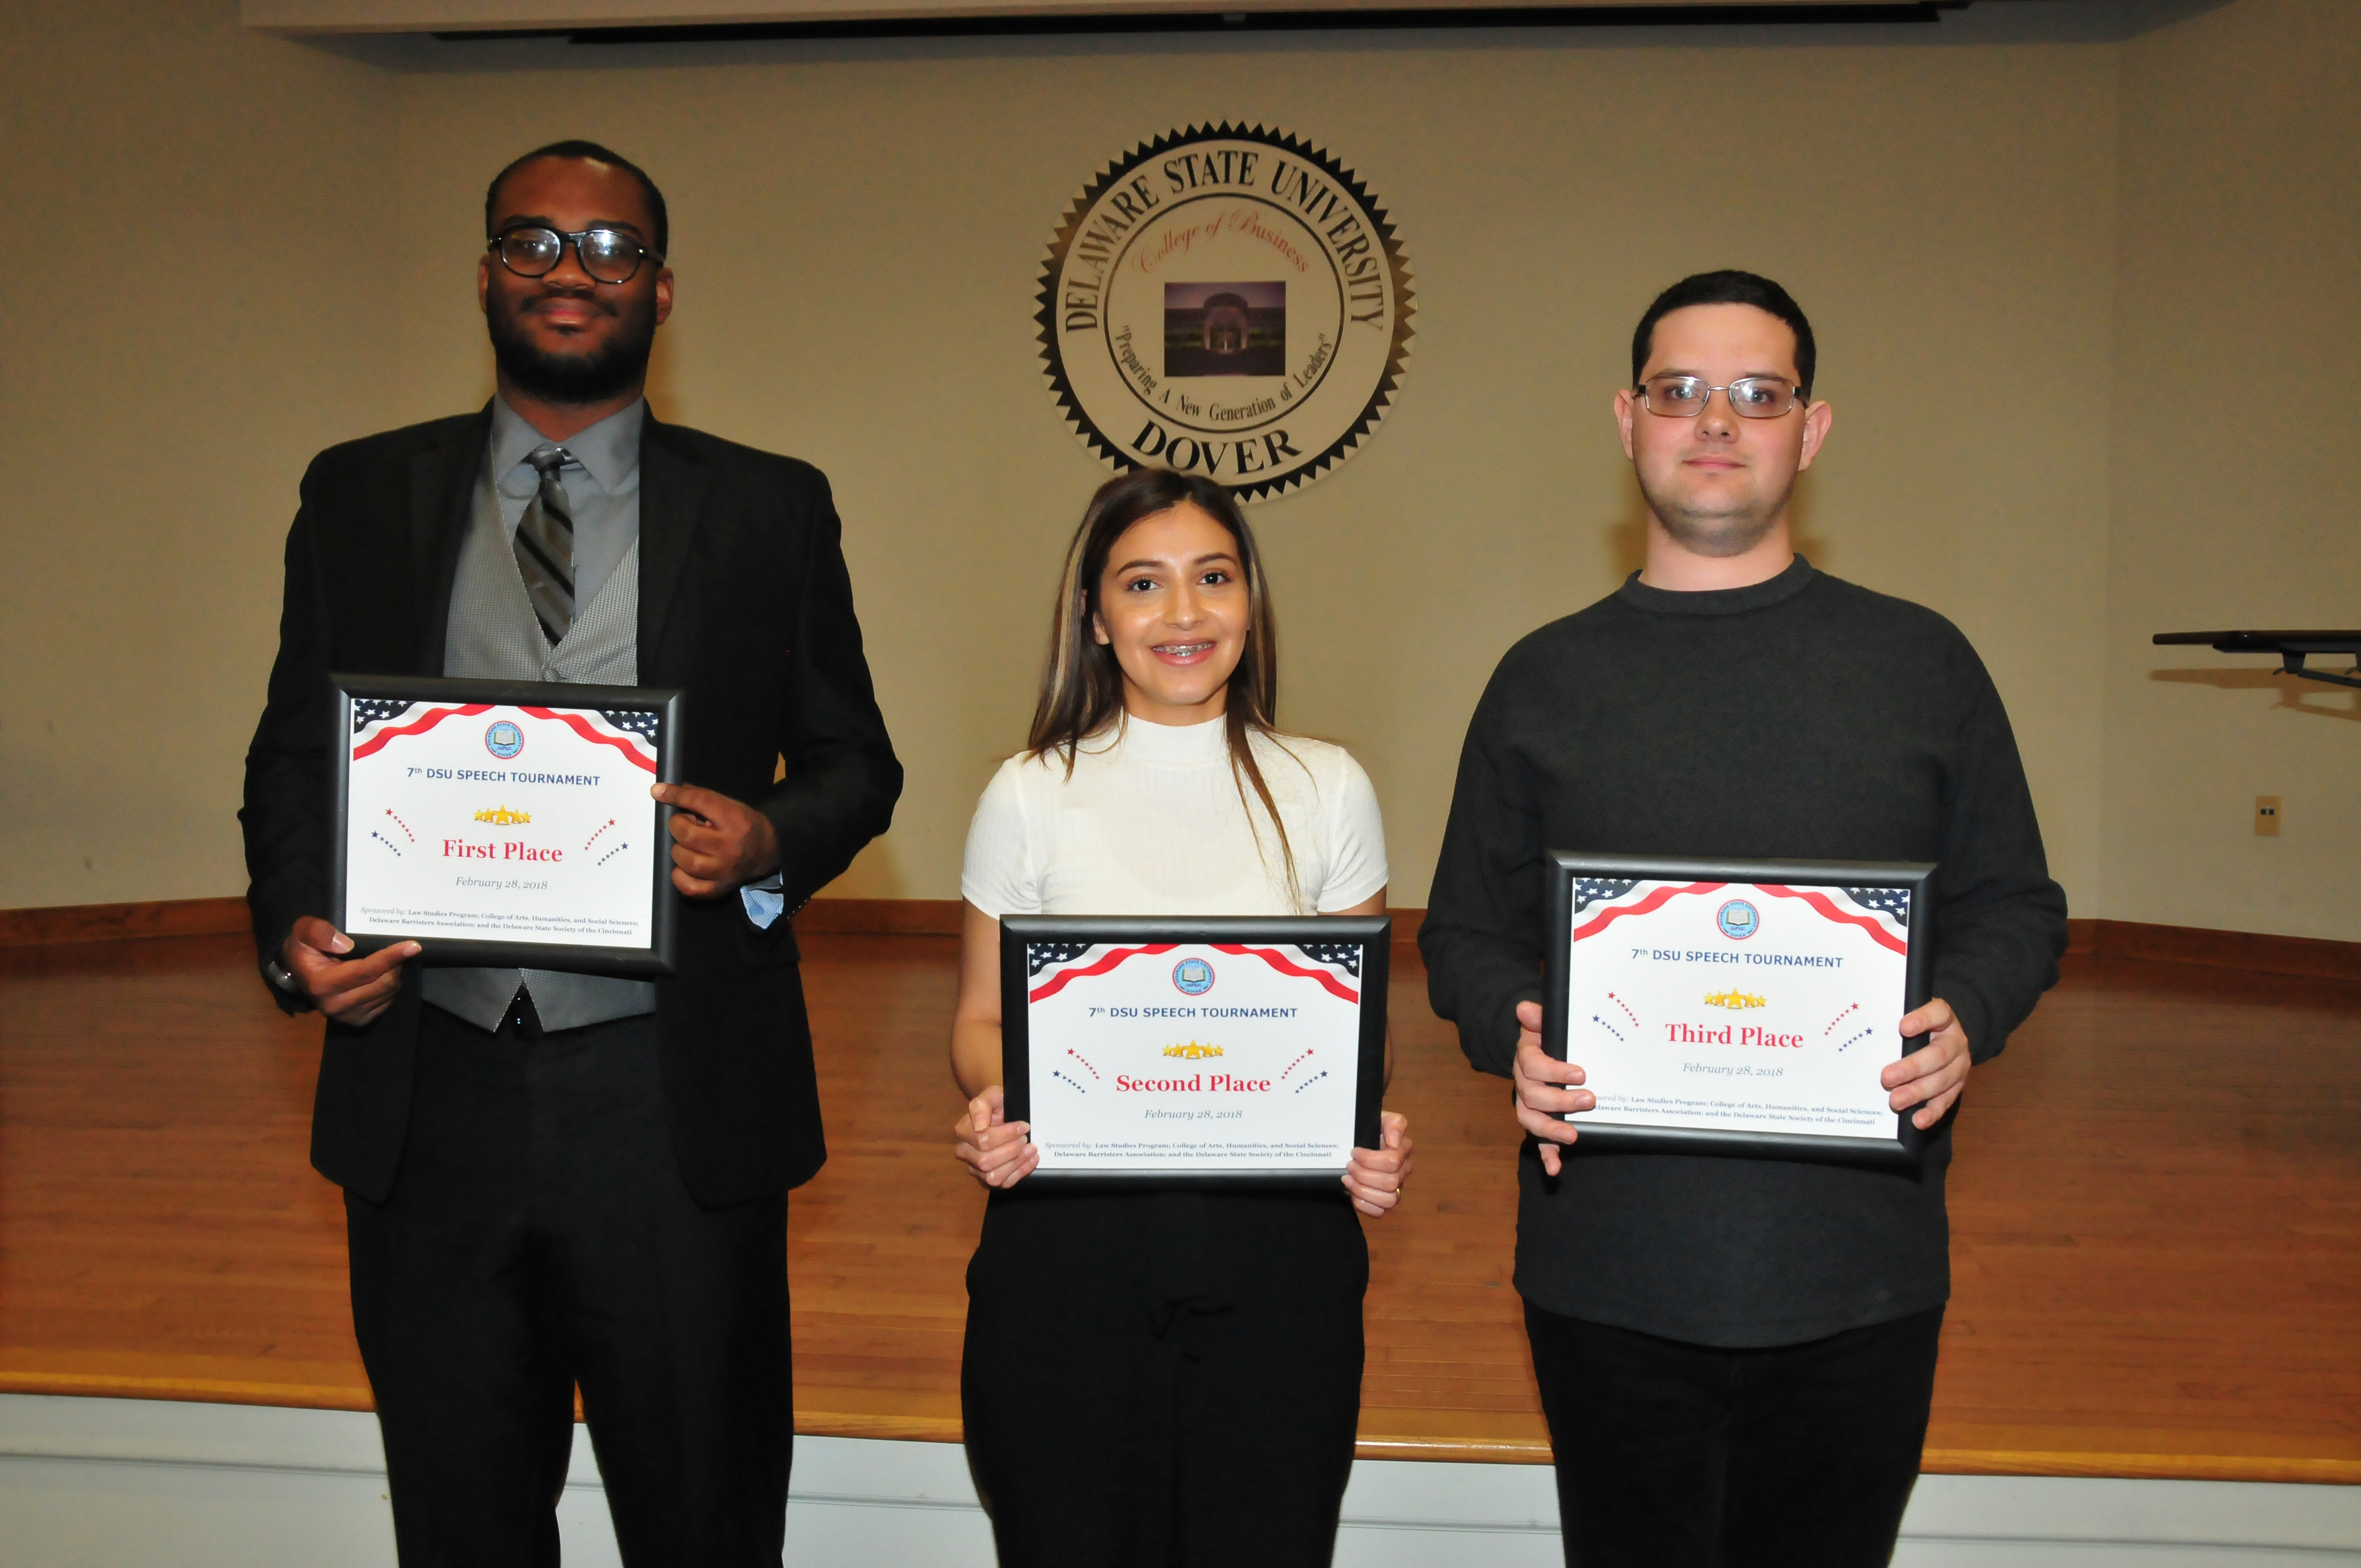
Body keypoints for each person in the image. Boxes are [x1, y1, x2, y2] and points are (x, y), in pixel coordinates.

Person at [238, 140, 901, 1566]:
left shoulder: (771, 505)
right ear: (485, 272)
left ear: (662, 290)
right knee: (461, 1523)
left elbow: (859, 762)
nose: (570, 271)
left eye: (610, 248)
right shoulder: (359, 494)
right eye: (534, 242)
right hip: (430, 1090)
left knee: (705, 1519)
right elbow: (295, 755)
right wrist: (302, 938)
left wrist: (769, 835)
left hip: (670, 1102)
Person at [1420, 270, 2066, 1567]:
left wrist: (1968, 1014)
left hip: (1857, 1274)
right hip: (1608, 1271)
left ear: (1808, 431)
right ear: (1627, 419)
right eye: (1681, 391)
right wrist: (1513, 1025)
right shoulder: (1541, 677)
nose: (1715, 421)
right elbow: (1461, 932)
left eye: (1755, 394)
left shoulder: (1921, 663)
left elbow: (2015, 903)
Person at [946, 469, 1415, 1567]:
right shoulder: (1028, 789)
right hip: (1063, 1248)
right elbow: (978, 1016)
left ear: (1249, 601)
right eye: (1143, 583)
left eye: (1212, 577)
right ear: (1097, 618)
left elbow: (1366, 1034)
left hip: (1278, 1252)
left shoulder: (1328, 785)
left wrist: (1359, 1118)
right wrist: (996, 1101)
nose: (1182, 612)